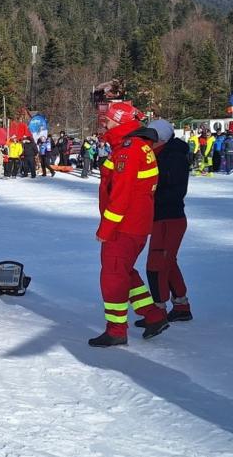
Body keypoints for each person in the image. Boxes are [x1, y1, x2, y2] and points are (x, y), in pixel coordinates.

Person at [88, 102, 168, 347]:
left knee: (112, 276)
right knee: (125, 271)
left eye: (109, 120)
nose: (105, 123)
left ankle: (116, 329)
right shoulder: (134, 146)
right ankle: (153, 315)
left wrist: (106, 229)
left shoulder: (128, 150)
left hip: (124, 226)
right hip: (135, 224)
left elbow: (121, 196)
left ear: (121, 122)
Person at [142, 119, 193, 326]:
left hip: (168, 217)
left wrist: (148, 197)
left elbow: (171, 189)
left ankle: (158, 311)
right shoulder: (165, 154)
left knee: (157, 264)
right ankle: (181, 306)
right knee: (168, 262)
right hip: (166, 216)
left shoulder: (170, 157)